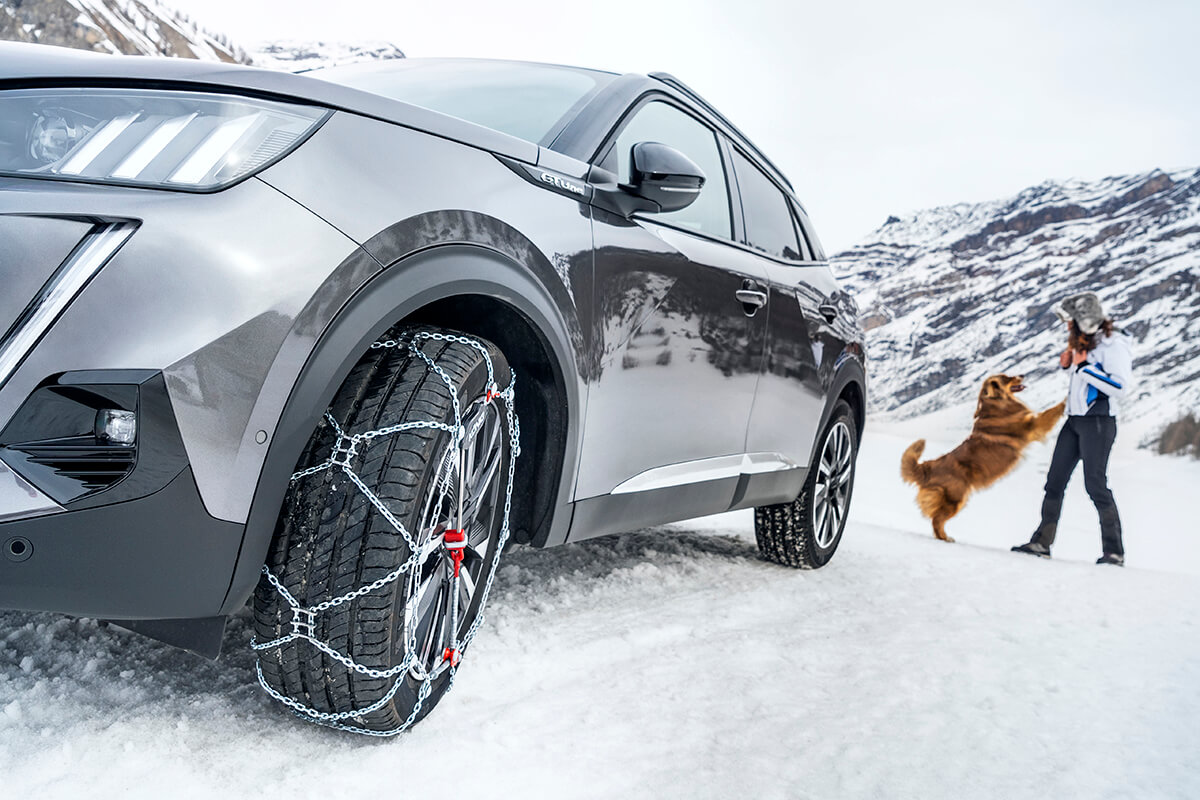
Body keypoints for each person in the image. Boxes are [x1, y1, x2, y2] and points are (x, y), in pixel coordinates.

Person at [1012, 292, 1133, 566]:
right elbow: (1082, 381)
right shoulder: (1086, 343)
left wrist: (1084, 366)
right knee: (1054, 481)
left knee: (1096, 485)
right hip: (1075, 421)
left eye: (1070, 322)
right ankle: (1042, 542)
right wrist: (1069, 366)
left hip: (1099, 423)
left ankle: (1114, 553)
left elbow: (1120, 387)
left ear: (1084, 322)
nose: (1067, 327)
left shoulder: (1115, 345)